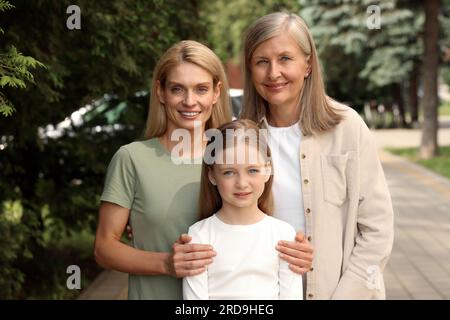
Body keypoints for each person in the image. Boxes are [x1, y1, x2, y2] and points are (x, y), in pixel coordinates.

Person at [239, 12, 394, 299]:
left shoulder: (347, 127)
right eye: (262, 61)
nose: (273, 73)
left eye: (285, 58)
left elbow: (377, 231)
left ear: (308, 64)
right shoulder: (241, 140)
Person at [94, 40, 233, 299]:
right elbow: (104, 248)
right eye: (178, 89)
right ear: (160, 92)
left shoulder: (234, 159)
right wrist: (166, 263)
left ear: (216, 93)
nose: (190, 101)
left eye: (201, 89)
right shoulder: (132, 159)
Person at [183, 119, 303, 300]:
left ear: (267, 169)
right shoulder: (199, 235)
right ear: (212, 175)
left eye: (252, 170)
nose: (241, 183)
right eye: (229, 172)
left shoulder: (283, 234)